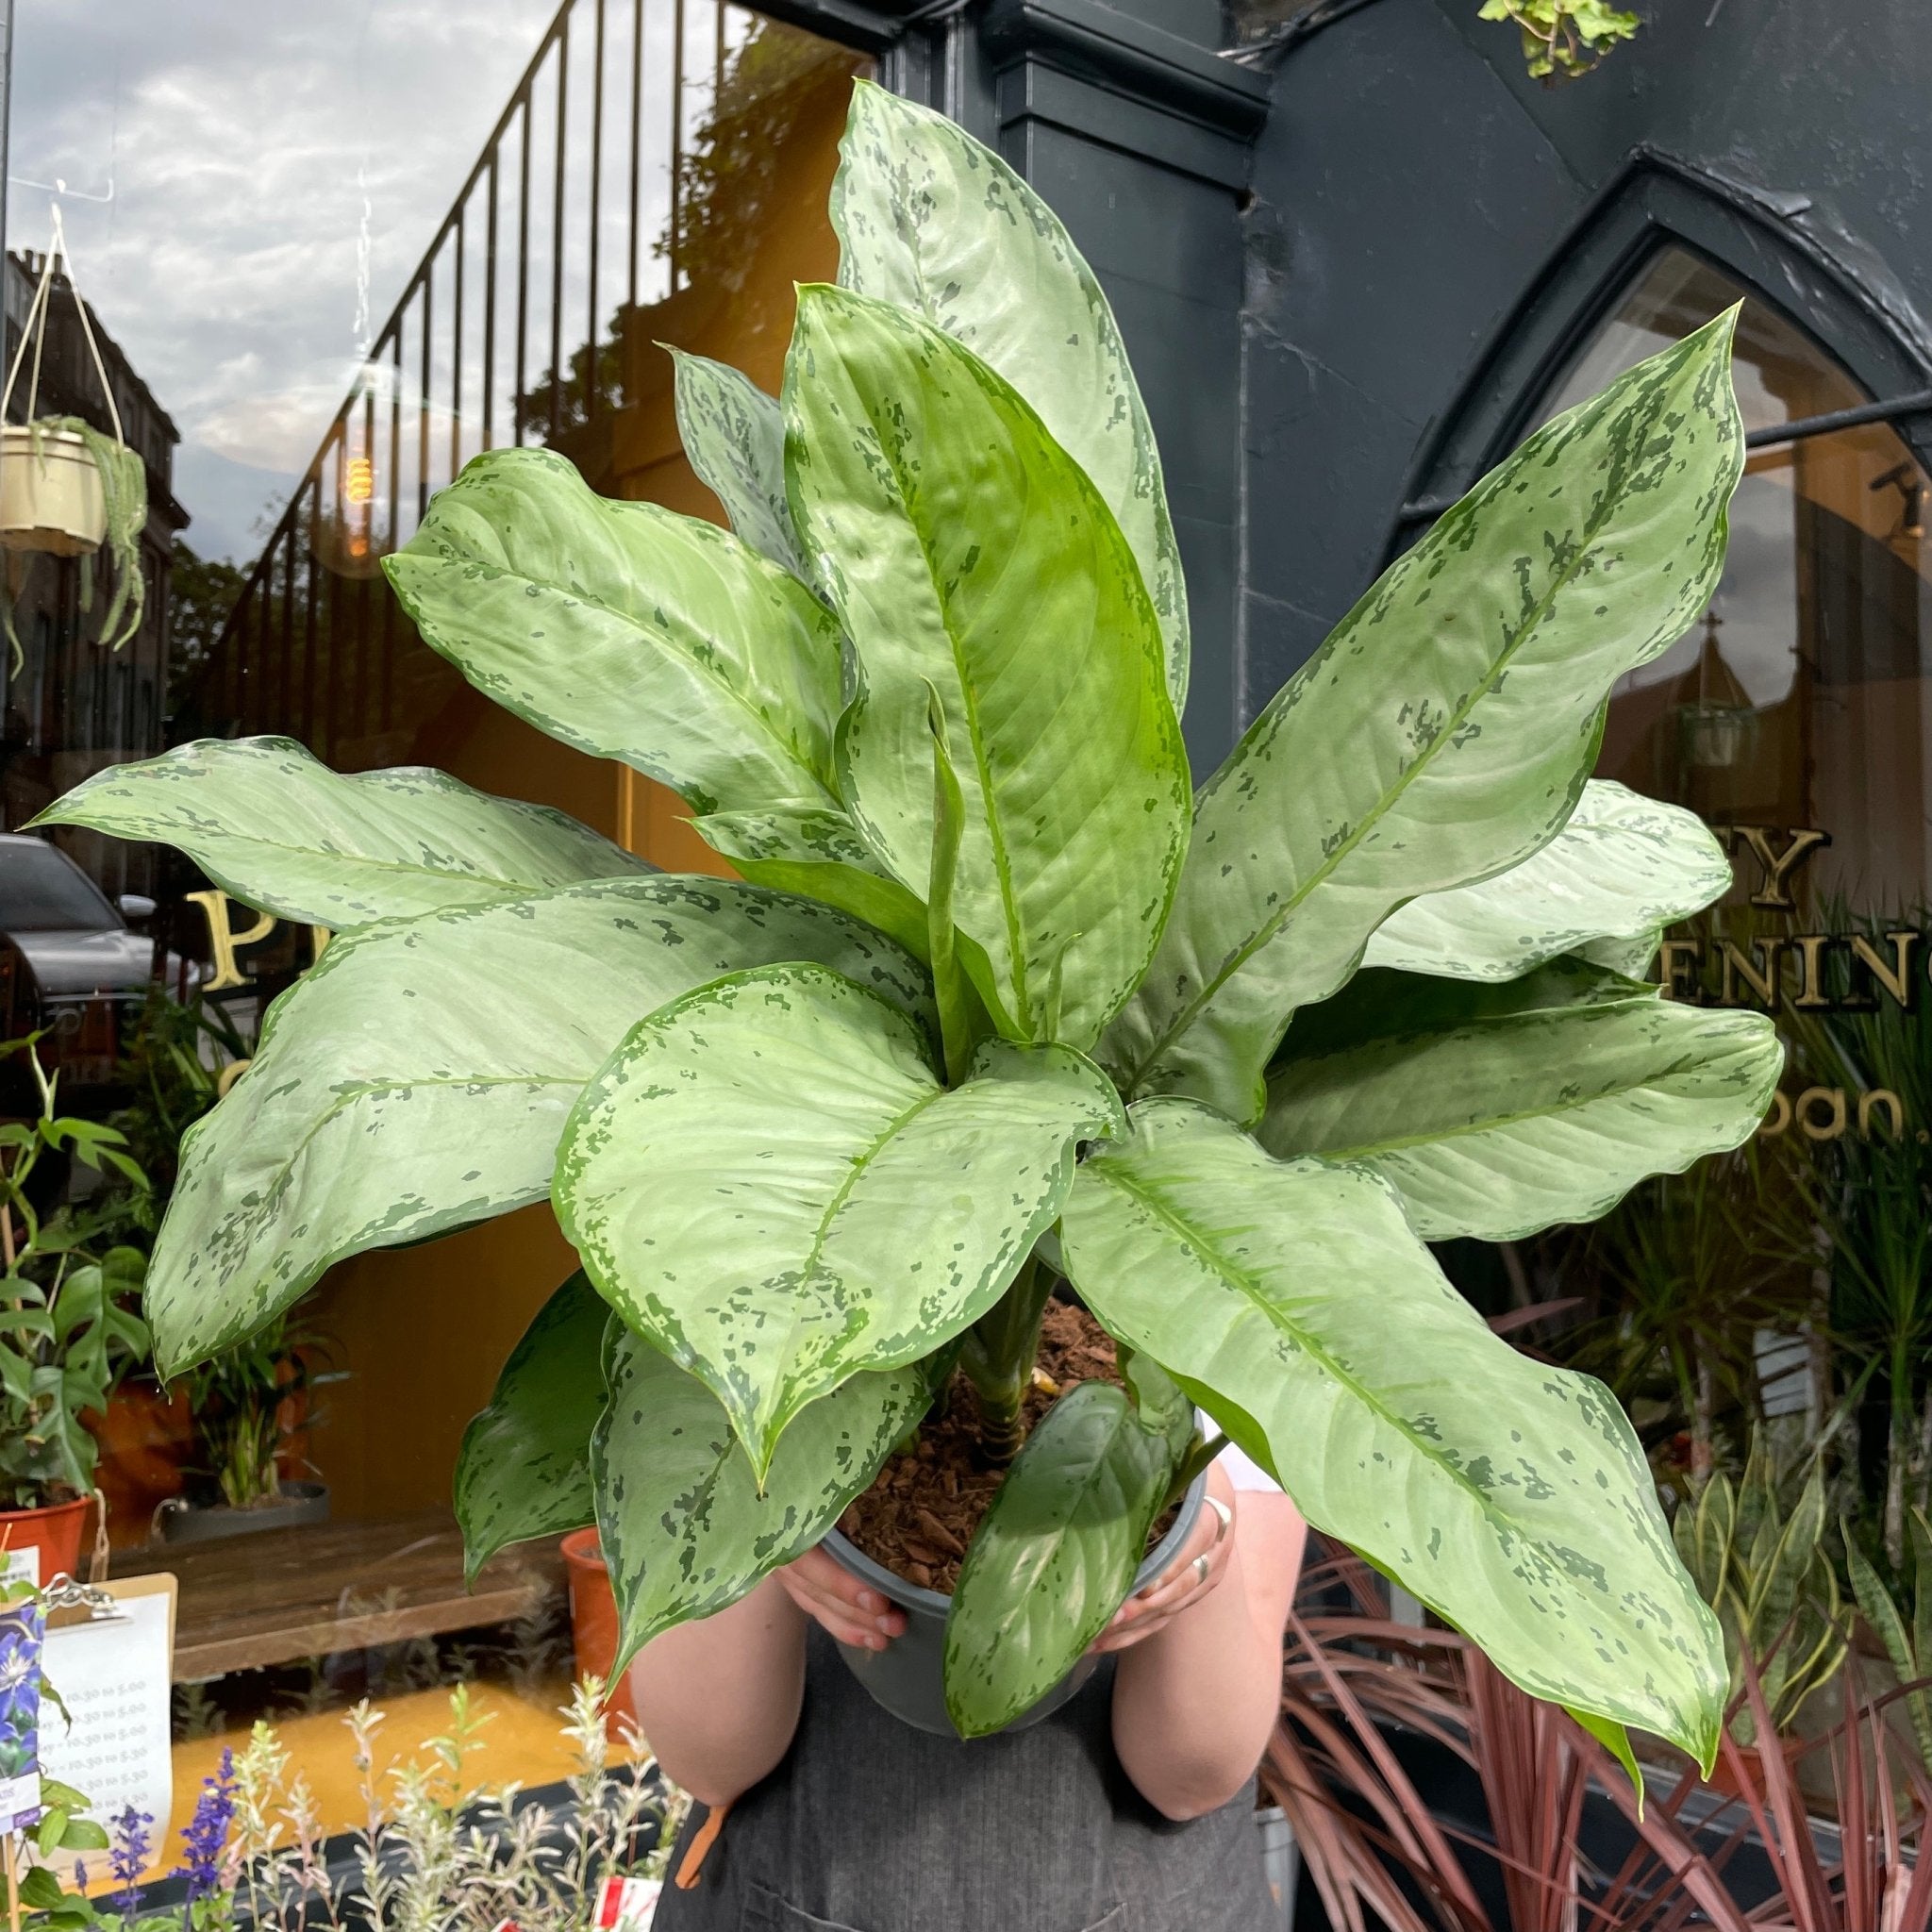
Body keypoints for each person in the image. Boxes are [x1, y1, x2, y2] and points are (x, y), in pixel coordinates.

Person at [634, 1442, 1307, 1932]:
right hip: (787, 1889)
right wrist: (761, 1514)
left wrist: (1198, 1517)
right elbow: (710, 1760)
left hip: (1158, 1897)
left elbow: (1190, 1779)